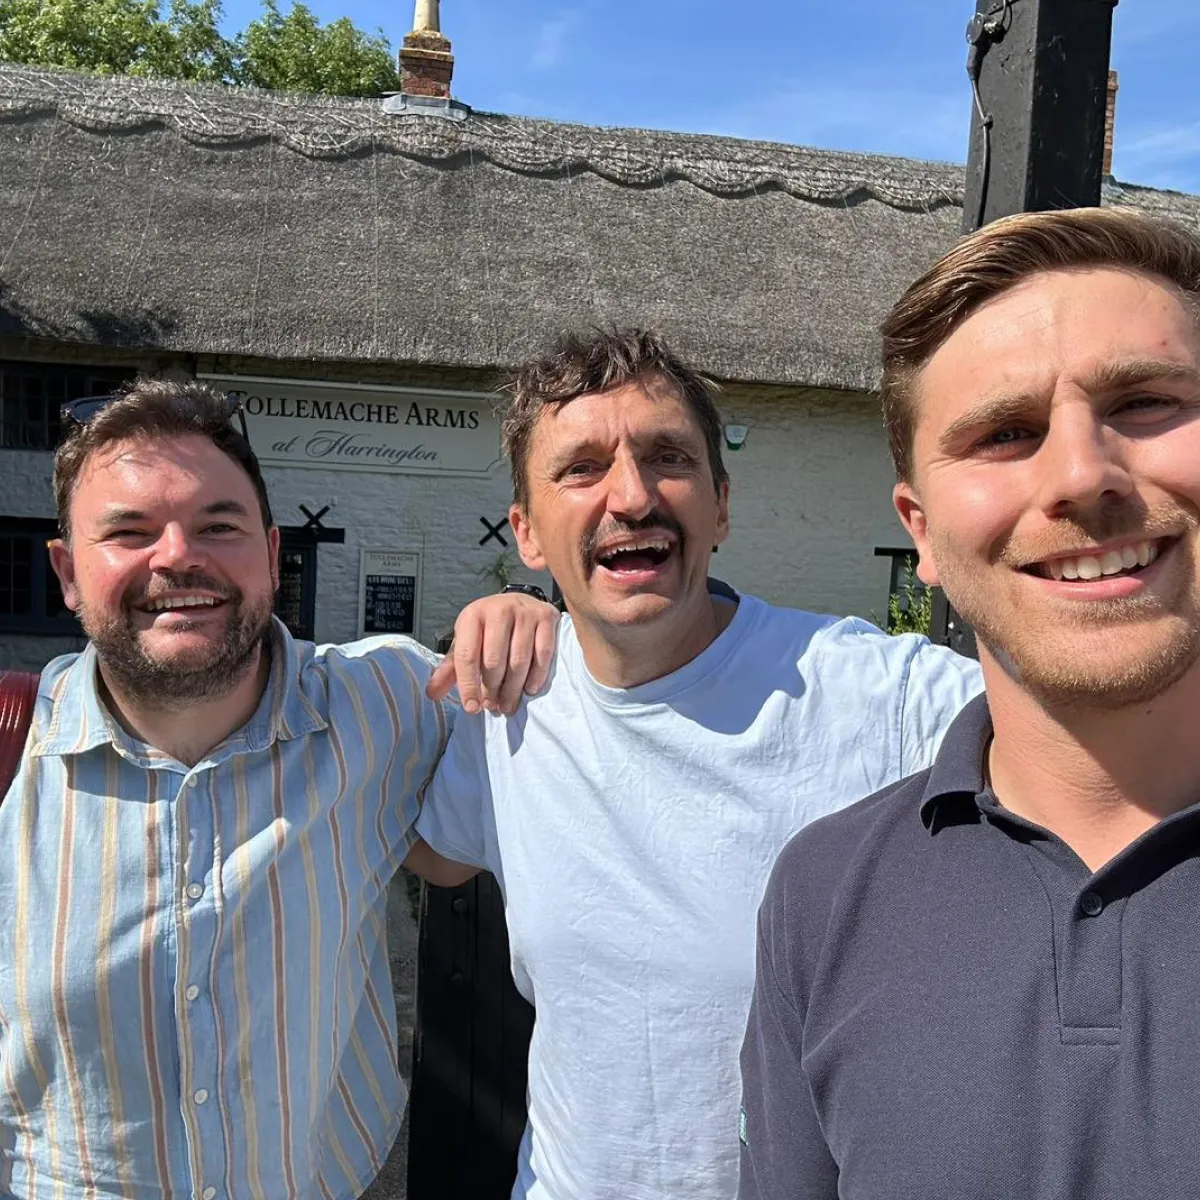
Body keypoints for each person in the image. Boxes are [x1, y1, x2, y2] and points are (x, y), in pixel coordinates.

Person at [414, 328, 983, 1200]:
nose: (632, 495)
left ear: (721, 506)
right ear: (526, 532)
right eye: (582, 468)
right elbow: (426, 849)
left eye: (667, 456)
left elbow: (1081, 729)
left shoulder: (871, 694)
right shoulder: (510, 710)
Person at [0, 378, 558, 1200]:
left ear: (269, 551)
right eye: (129, 531)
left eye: (216, 526)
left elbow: (584, 735)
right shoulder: (11, 754)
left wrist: (531, 616)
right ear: (68, 572)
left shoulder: (389, 705)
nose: (177, 556)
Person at [739, 207, 1200, 1200]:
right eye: (1006, 433)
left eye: (1148, 402)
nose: (1081, 475)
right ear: (925, 536)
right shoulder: (823, 898)